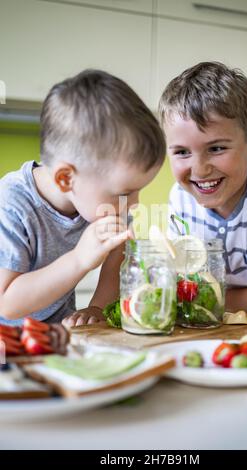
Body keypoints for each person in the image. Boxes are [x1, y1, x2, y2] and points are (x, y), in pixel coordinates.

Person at [0, 69, 165, 326]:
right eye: (125, 192)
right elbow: (7, 303)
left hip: (60, 339)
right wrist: (78, 259)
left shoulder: (105, 203)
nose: (134, 204)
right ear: (66, 179)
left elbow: (115, 260)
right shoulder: (11, 205)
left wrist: (97, 308)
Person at [159, 61, 247, 316]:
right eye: (182, 152)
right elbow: (177, 276)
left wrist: (195, 296)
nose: (199, 170)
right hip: (210, 326)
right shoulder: (180, 197)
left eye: (216, 148)